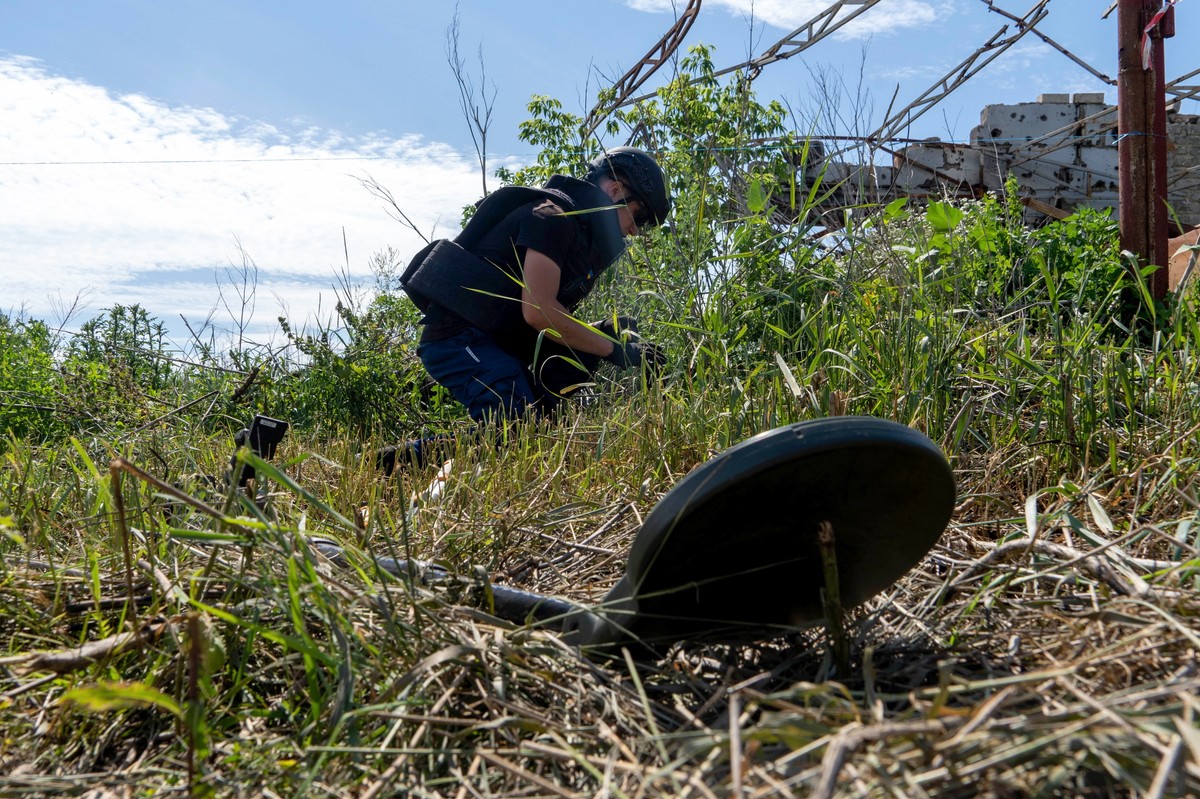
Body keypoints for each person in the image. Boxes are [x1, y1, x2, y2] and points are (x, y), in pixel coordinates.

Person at [378, 147, 671, 472]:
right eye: (640, 216)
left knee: (531, 428)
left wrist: (604, 333)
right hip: (458, 339)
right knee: (515, 428)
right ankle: (387, 468)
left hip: (499, 341)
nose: (636, 231)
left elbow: (541, 316)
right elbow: (538, 312)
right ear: (615, 190)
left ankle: (405, 464)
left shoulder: (581, 233)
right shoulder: (552, 218)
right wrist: (613, 350)